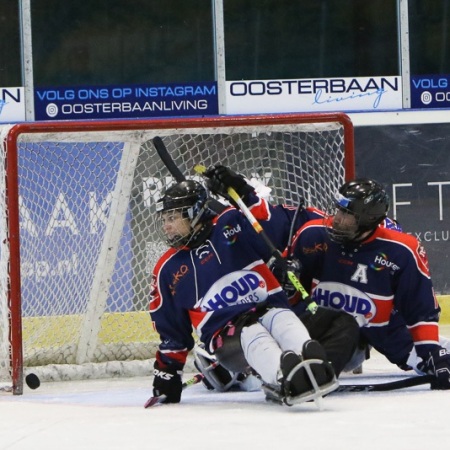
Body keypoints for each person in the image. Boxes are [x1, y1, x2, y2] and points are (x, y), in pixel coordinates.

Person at [149, 175, 339, 407]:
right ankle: (283, 375)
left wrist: (244, 193)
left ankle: (311, 359)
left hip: (267, 306)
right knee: (251, 332)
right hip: (226, 338)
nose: (166, 226)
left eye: (173, 217)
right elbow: (172, 328)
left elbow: (266, 221)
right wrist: (168, 371)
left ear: (196, 213)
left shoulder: (231, 221)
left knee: (282, 317)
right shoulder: (167, 269)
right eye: (164, 219)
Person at [288, 177, 450, 389]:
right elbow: (291, 291)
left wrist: (430, 351)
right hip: (323, 330)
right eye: (338, 210)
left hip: (383, 333)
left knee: (439, 362)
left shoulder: (402, 250)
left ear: (367, 219)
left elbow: (420, 310)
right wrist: (286, 283)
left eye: (346, 214)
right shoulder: (312, 235)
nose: (336, 219)